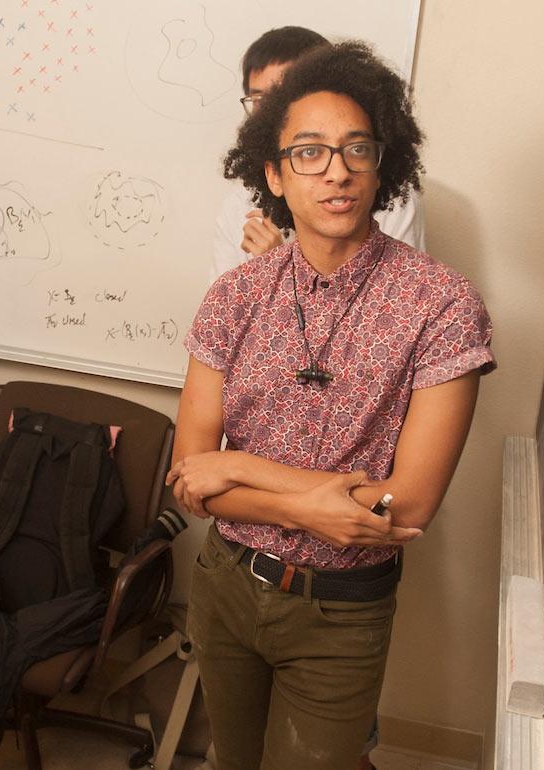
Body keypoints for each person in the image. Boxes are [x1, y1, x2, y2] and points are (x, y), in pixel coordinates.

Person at [169, 42, 494, 770]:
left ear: (384, 166)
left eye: (356, 149)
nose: (337, 170)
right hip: (225, 587)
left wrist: (241, 469)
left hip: (342, 609)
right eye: (309, 153)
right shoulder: (234, 295)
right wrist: (309, 505)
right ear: (274, 175)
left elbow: (402, 511)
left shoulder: (442, 306)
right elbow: (190, 474)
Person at [214, 26, 425, 280]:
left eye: (287, 91)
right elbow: (225, 307)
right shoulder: (237, 207)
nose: (337, 174)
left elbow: (404, 294)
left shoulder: (382, 196)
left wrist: (283, 267)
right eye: (261, 100)